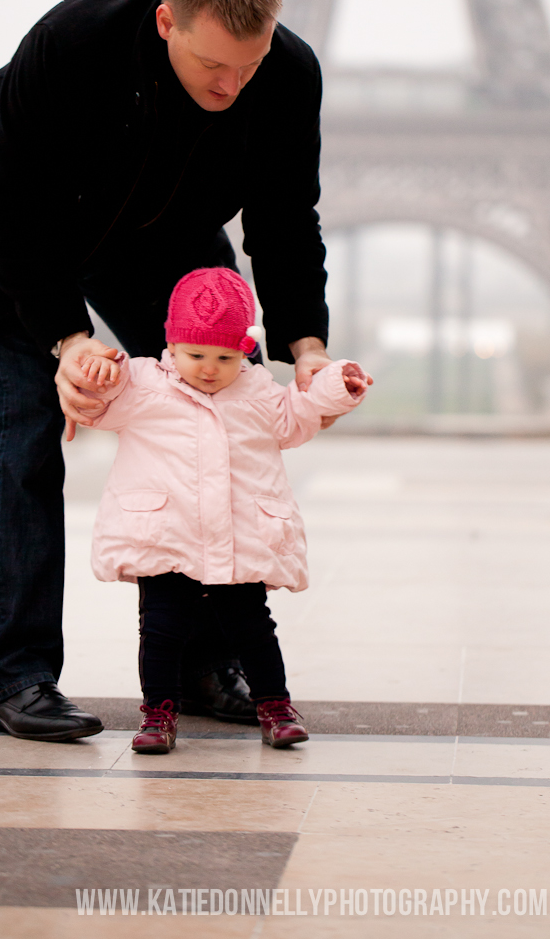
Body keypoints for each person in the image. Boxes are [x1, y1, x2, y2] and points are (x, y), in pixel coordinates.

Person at [0, 0, 339, 741]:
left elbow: (283, 220)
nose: (231, 86)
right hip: (10, 235)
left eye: (250, 63)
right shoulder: (72, 42)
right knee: (26, 418)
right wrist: (68, 340)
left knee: (214, 416)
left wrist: (306, 349)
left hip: (160, 240)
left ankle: (203, 665)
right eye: (212, 65)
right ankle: (18, 676)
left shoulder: (287, 73)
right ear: (167, 21)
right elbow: (9, 204)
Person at [79, 267, 369, 753]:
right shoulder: (142, 384)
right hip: (164, 535)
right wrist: (99, 375)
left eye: (225, 356)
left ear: (246, 351)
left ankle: (275, 706)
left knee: (252, 629)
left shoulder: (257, 392)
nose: (209, 368)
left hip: (239, 537)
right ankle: (158, 713)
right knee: (160, 630)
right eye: (195, 355)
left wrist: (338, 384)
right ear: (170, 346)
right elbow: (101, 403)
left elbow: (298, 414)